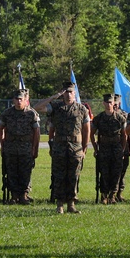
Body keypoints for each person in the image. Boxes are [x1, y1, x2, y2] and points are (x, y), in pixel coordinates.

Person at [48, 81, 91, 214]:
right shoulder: (56, 107)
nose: (68, 95)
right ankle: (60, 204)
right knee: (59, 176)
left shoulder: (82, 109)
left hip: (75, 147)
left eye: (71, 92)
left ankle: (71, 204)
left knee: (74, 176)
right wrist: (55, 96)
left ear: (75, 93)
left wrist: (84, 149)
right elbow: (37, 107)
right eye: (66, 92)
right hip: (59, 146)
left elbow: (86, 130)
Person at [0, 88, 41, 204]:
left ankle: (23, 195)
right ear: (13, 100)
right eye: (16, 99)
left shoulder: (31, 113)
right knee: (11, 172)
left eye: (21, 99)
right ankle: (14, 195)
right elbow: (1, 129)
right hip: (10, 147)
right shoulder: (7, 113)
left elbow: (36, 132)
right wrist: (3, 145)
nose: (18, 101)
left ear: (25, 100)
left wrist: (34, 149)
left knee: (25, 172)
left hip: (26, 147)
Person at [91, 94, 126, 204]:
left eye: (110, 102)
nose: (108, 104)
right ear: (103, 103)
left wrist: (122, 149)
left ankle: (113, 195)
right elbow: (91, 134)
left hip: (116, 148)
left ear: (114, 104)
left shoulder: (120, 118)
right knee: (104, 172)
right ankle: (104, 195)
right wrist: (96, 148)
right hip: (104, 148)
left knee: (116, 173)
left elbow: (124, 135)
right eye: (106, 102)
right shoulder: (99, 118)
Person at [113, 93, 130, 202]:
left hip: (124, 146)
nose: (114, 105)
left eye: (116, 103)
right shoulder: (106, 115)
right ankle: (110, 194)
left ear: (119, 103)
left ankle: (120, 192)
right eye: (112, 103)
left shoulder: (125, 115)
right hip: (110, 146)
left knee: (122, 171)